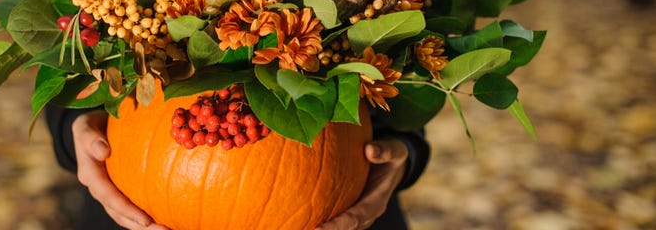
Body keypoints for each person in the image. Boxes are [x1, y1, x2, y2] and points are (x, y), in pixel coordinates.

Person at [45, 104, 429, 230]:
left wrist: (404, 152)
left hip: (335, 192)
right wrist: (74, 124)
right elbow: (73, 27)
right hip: (139, 196)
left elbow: (411, 68)